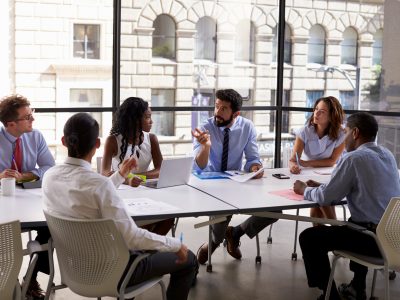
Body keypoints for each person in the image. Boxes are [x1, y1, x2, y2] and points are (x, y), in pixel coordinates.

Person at [42, 113, 198, 300]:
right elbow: (131, 238)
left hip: (75, 270)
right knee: (189, 260)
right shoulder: (99, 184)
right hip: (115, 272)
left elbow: (95, 192)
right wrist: (176, 245)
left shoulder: (50, 176)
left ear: (63, 141)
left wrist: (120, 175)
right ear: (97, 144)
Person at [293, 112, 400, 300]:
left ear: (356, 133)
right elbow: (366, 186)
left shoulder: (353, 158)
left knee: (309, 238)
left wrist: (304, 190)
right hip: (393, 237)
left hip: (371, 241)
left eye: (347, 131)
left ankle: (330, 295)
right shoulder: (387, 155)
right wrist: (327, 186)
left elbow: (327, 198)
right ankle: (357, 287)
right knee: (356, 222)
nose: (344, 136)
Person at [192, 89, 278, 264]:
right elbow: (199, 166)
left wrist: (255, 168)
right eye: (217, 106)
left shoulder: (247, 127)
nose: (218, 112)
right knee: (221, 217)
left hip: (236, 181)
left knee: (274, 211)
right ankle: (213, 244)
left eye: (224, 109)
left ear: (236, 113)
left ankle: (235, 232)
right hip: (210, 184)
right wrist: (206, 147)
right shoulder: (205, 128)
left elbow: (253, 158)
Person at [0, 94, 55, 299]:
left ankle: (30, 279)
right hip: (3, 203)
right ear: (11, 124)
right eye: (28, 117)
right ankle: (8, 282)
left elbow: (50, 167)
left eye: (32, 115)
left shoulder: (36, 136)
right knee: (5, 236)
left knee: (51, 226)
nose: (33, 120)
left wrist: (25, 176)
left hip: (31, 200)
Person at [102, 97, 174, 235]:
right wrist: (127, 178)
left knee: (169, 217)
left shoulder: (151, 139)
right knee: (137, 221)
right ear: (135, 120)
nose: (151, 121)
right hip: (121, 194)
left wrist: (137, 176)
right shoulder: (113, 141)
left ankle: (144, 251)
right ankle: (140, 248)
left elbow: (161, 169)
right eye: (147, 117)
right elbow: (105, 174)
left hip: (145, 192)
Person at [290, 96, 345, 222]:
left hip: (329, 174)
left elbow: (332, 161)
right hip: (308, 175)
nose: (316, 113)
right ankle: (331, 230)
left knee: (321, 197)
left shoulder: (341, 134)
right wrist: (294, 165)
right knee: (319, 198)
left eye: (322, 111)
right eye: (316, 109)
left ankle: (333, 229)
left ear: (332, 116)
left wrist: (306, 163)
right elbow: (294, 159)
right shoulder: (304, 131)